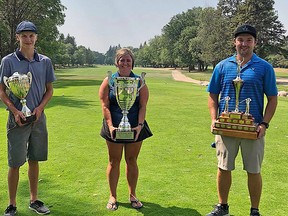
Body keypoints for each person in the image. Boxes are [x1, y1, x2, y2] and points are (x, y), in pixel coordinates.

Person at [207, 24, 278, 216]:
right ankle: (223, 207)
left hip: (253, 128)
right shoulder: (222, 66)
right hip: (226, 127)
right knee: (223, 167)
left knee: (253, 170)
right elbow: (213, 95)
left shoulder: (264, 67)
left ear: (255, 42)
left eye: (248, 40)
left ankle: (254, 210)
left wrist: (264, 124)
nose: (244, 44)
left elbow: (272, 99)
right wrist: (214, 119)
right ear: (234, 42)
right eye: (240, 40)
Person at [0, 21, 56, 216]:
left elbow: (49, 90)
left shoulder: (45, 61)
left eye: (31, 35)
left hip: (38, 119)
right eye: (24, 35)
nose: (28, 39)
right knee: (14, 163)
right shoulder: (8, 61)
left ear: (36, 37)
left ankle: (34, 200)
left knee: (34, 159)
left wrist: (40, 108)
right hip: (17, 119)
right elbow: (2, 91)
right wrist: (15, 111)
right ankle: (12, 204)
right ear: (18, 37)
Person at [99, 48, 152, 211]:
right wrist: (110, 126)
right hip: (113, 125)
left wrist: (140, 125)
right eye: (122, 60)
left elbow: (143, 105)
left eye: (128, 60)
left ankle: (133, 195)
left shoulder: (139, 81)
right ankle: (113, 196)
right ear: (116, 62)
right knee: (114, 161)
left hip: (135, 126)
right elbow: (104, 104)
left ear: (132, 63)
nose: (125, 63)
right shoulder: (109, 80)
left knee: (132, 160)